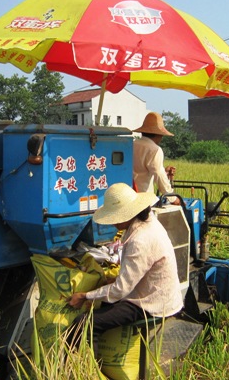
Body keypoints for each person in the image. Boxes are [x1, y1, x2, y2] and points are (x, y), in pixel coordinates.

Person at [66, 183, 183, 346]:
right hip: (153, 291)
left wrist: (85, 295)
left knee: (82, 323)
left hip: (151, 303)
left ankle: (82, 368)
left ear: (127, 215)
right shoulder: (149, 221)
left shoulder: (140, 240)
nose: (112, 223)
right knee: (103, 302)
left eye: (115, 217)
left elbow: (119, 291)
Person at [132, 112, 177, 199]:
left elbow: (142, 170)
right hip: (143, 199)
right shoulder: (155, 150)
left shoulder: (131, 145)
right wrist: (173, 198)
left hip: (127, 196)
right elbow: (158, 174)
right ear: (158, 135)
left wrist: (165, 171)